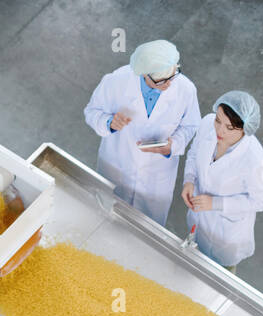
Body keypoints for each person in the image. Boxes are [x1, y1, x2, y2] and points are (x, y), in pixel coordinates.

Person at [83, 40, 201, 226]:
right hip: (116, 166)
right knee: (103, 222)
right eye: (161, 81)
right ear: (144, 74)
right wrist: (109, 122)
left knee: (146, 231)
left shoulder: (185, 89)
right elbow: (91, 112)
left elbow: (191, 125)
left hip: (156, 178)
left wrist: (173, 145)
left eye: (172, 76)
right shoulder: (117, 81)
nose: (168, 84)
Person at [181, 91, 263, 271]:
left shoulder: (257, 160)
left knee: (216, 281)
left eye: (229, 128)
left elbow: (262, 201)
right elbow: (193, 152)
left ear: (245, 128)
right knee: (189, 265)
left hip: (226, 234)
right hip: (198, 217)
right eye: (218, 121)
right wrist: (189, 180)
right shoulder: (208, 123)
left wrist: (215, 203)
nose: (219, 130)